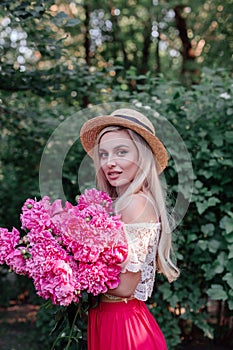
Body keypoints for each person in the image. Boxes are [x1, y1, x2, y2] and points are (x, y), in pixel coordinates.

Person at [80, 108, 180, 350]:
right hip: (108, 316)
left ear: (142, 157)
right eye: (103, 154)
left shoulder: (136, 203)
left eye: (121, 152)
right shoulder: (119, 203)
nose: (109, 162)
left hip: (122, 325)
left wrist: (73, 268)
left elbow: (126, 286)